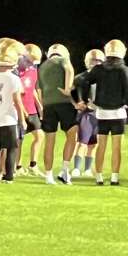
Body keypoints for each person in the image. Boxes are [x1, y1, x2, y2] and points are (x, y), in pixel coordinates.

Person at [78, 39, 128, 186]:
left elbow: (84, 81)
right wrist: (125, 102)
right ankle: (114, 177)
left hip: (102, 113)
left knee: (101, 146)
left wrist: (85, 99)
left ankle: (99, 177)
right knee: (117, 147)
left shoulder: (99, 69)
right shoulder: (124, 70)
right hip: (118, 113)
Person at [0, 40, 27, 182]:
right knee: (11, 148)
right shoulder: (13, 79)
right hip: (9, 119)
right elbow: (17, 101)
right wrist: (22, 120)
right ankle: (9, 176)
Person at [38, 43, 78, 185]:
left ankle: (48, 175)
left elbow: (39, 90)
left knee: (49, 140)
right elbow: (69, 70)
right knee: (72, 134)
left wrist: (42, 107)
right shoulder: (63, 60)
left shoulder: (42, 67)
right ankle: (65, 170)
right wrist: (68, 88)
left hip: (48, 105)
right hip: (64, 103)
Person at [71, 49, 104, 178]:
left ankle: (88, 169)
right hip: (86, 113)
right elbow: (69, 93)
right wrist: (76, 104)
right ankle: (77, 168)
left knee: (93, 144)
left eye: (99, 60)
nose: (96, 62)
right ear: (87, 61)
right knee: (82, 142)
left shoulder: (105, 78)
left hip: (100, 114)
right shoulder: (80, 78)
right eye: (93, 59)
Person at [16, 44, 46, 176]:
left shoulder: (33, 70)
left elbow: (31, 88)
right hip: (19, 109)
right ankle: (17, 166)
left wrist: (39, 105)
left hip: (31, 108)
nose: (33, 63)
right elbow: (16, 92)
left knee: (39, 136)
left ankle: (33, 165)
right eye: (31, 59)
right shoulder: (16, 70)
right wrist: (21, 110)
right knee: (19, 139)